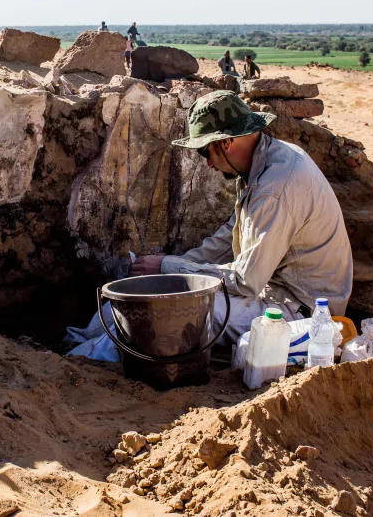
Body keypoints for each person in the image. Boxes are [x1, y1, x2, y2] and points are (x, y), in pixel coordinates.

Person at [66, 92, 352, 359]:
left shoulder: (274, 189)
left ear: (226, 142)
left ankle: (83, 363)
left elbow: (246, 281)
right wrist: (174, 268)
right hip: (274, 292)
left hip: (300, 312)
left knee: (163, 315)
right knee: (148, 294)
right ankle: (76, 341)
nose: (208, 165)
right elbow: (232, 232)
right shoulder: (265, 161)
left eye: (206, 153)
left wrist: (170, 268)